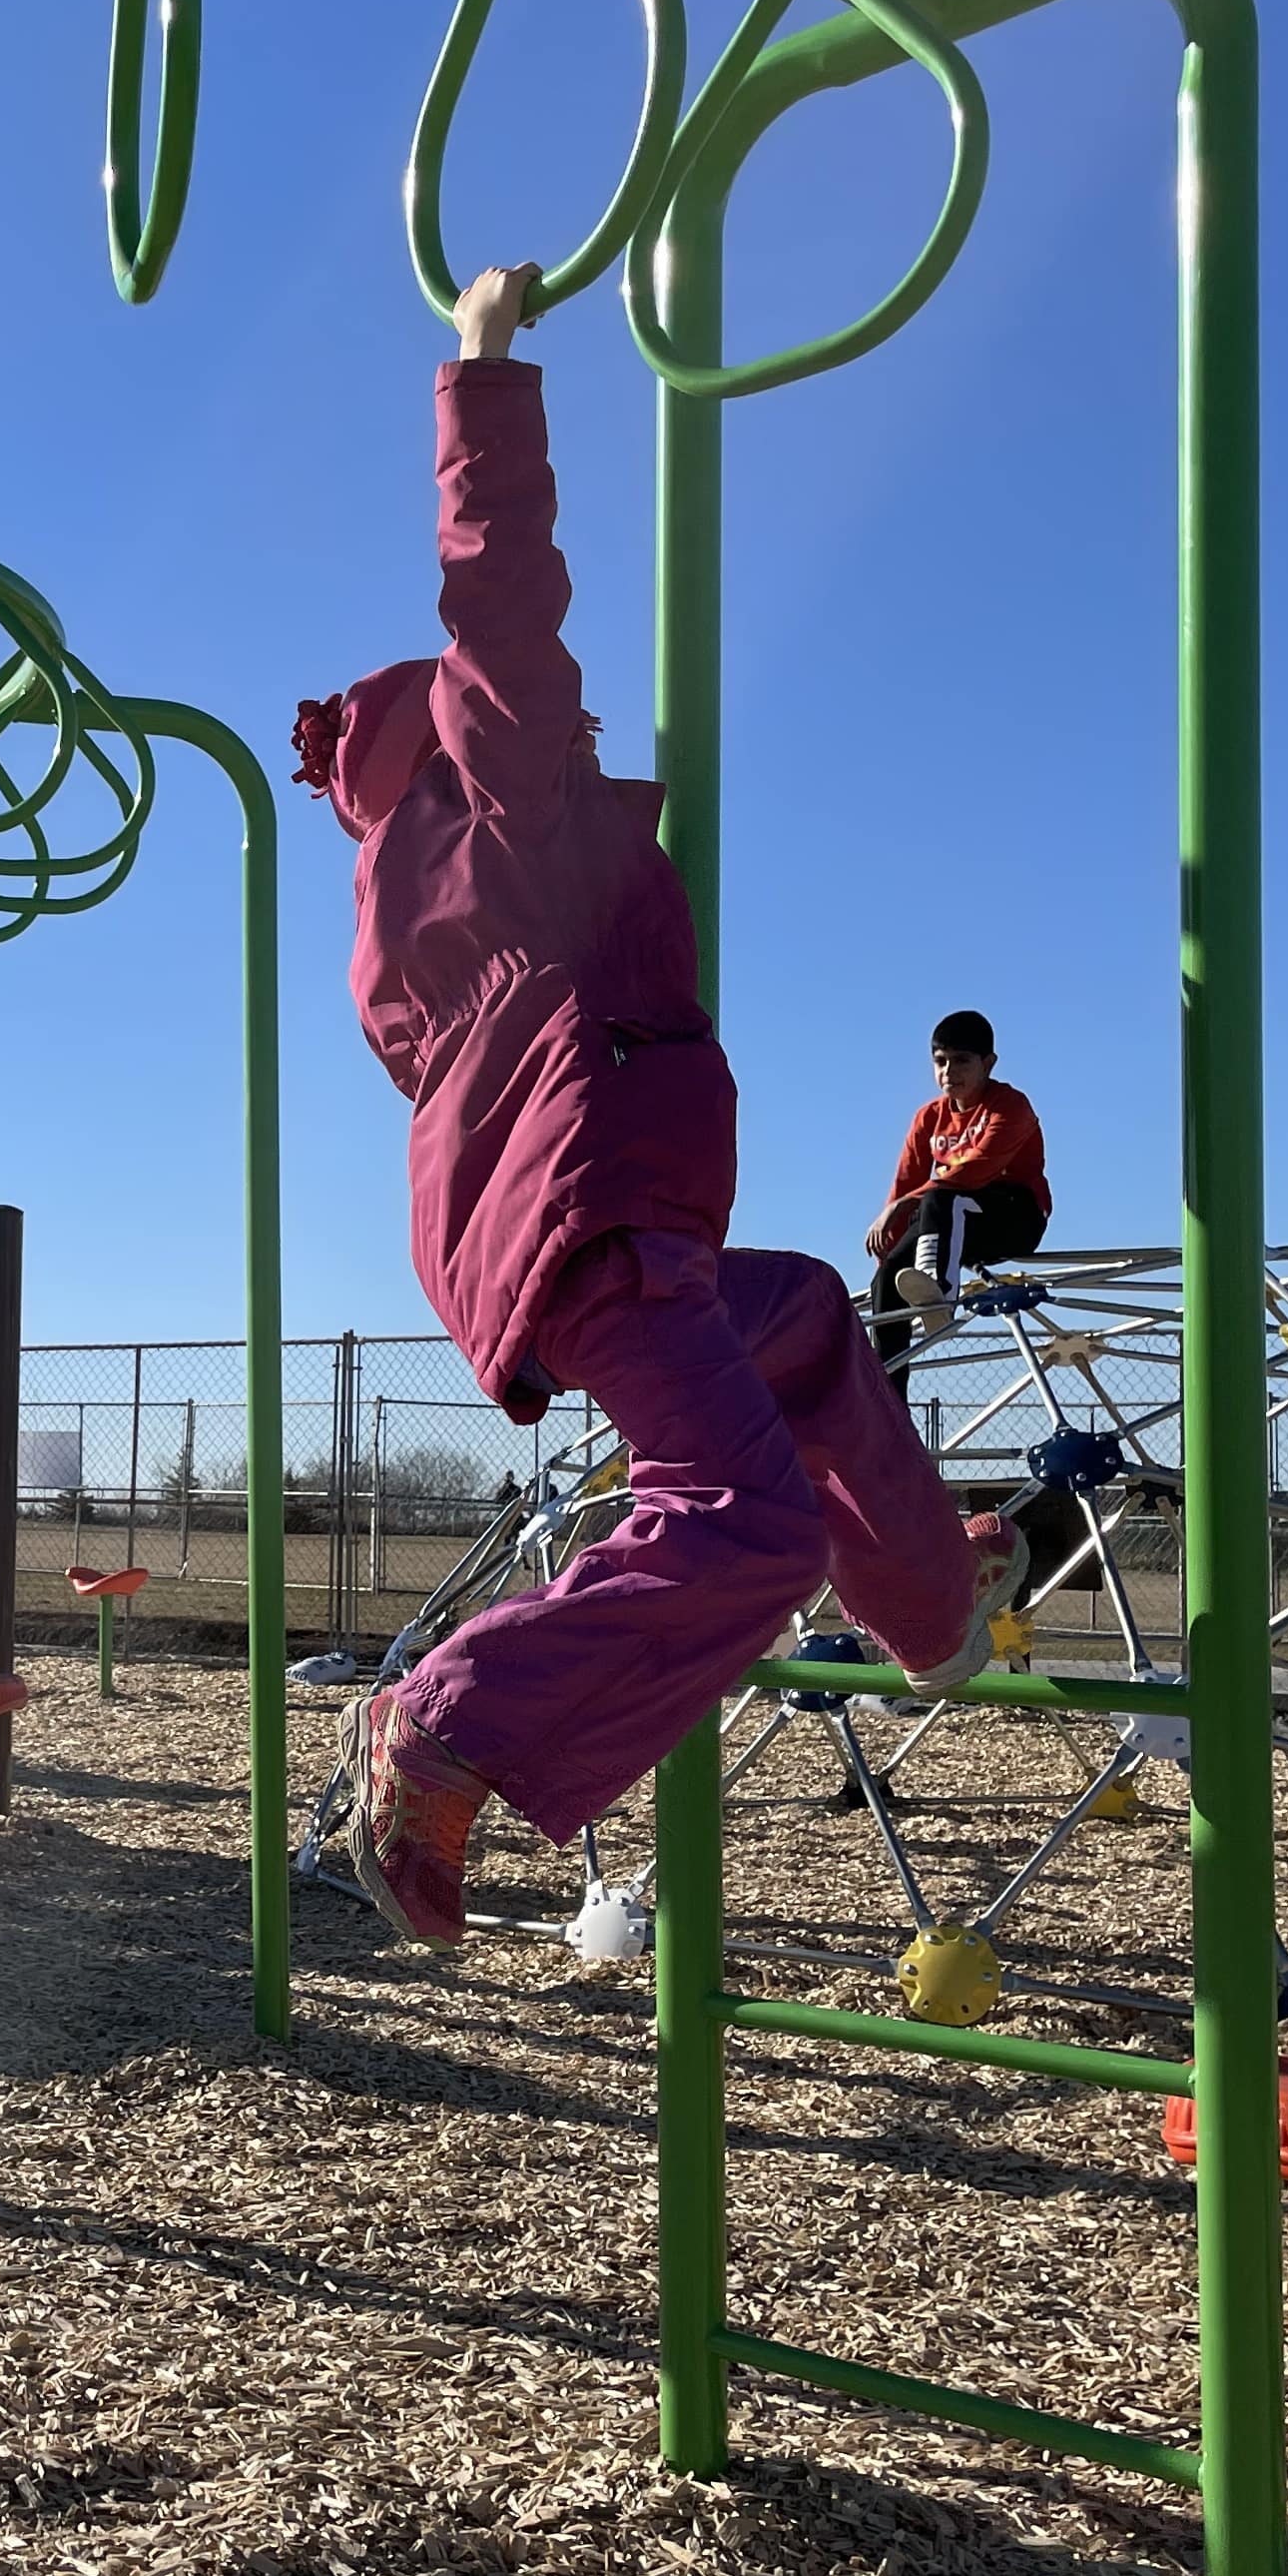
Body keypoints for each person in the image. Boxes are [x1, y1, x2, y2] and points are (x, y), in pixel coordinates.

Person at [292, 263, 1024, 1948]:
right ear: (456, 743)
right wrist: (479, 371)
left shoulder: (456, 903)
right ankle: (442, 1726)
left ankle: (928, 1607)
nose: (584, 718)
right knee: (745, 1524)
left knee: (812, 1325)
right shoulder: (502, 808)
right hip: (592, 1217)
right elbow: (498, 606)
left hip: (610, 1221)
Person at [864, 1015, 1050, 1364]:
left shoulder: (1010, 1106)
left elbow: (977, 1170)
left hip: (1012, 1215)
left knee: (943, 1197)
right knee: (887, 1278)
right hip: (949, 1223)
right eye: (940, 1061)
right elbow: (906, 1181)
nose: (949, 1071)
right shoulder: (928, 1118)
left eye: (961, 1061)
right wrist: (888, 1253)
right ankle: (889, 1402)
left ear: (988, 1063)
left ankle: (940, 1298)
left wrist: (900, 1206)